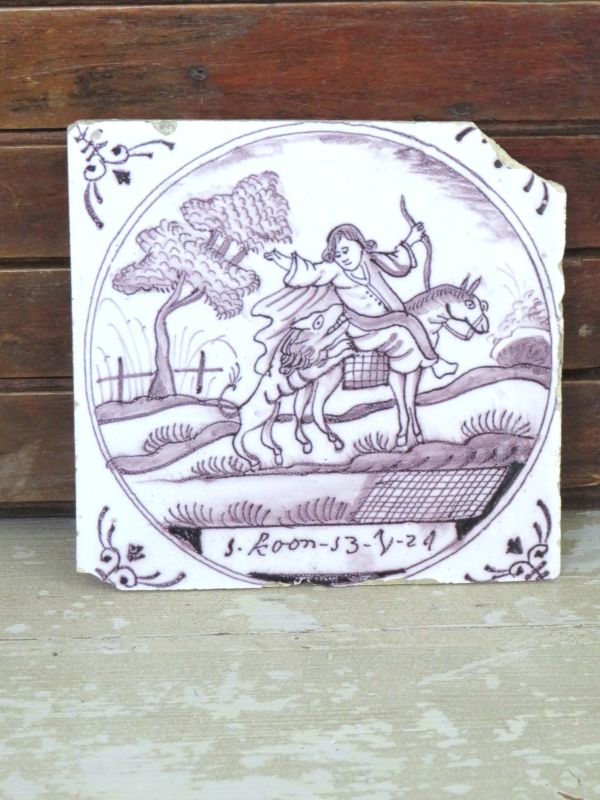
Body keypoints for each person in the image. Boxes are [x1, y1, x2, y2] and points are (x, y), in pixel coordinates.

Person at [262, 222, 457, 379]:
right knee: (409, 321)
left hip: (389, 316)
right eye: (338, 254)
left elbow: (397, 261)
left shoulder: (371, 259)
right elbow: (311, 270)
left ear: (361, 245)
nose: (343, 258)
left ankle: (426, 357)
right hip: (362, 324)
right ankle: (435, 363)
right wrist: (281, 259)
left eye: (346, 250)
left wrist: (411, 239)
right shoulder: (335, 271)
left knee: (411, 318)